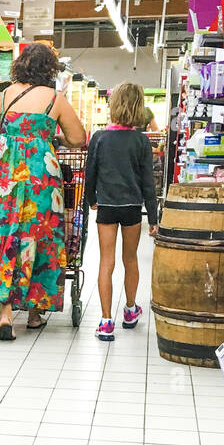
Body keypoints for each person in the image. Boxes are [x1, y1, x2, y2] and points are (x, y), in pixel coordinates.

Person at [0, 42, 86, 340]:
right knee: (39, 236)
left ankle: (6, 314)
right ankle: (35, 314)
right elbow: (79, 138)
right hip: (41, 175)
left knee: (4, 234)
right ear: (49, 69)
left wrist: (11, 132)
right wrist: (51, 135)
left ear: (20, 66)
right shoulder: (55, 98)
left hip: (5, 177)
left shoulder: (5, 96)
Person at [84, 82, 158, 342]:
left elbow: (89, 173)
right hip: (131, 208)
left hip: (106, 205)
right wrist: (154, 217)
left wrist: (90, 199)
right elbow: (148, 182)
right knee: (130, 259)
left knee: (106, 262)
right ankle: (129, 310)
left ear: (113, 105)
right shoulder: (141, 141)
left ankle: (105, 321)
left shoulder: (99, 138)